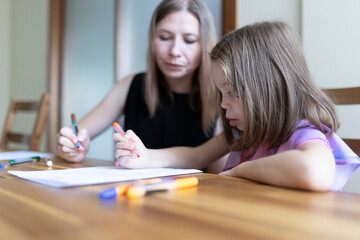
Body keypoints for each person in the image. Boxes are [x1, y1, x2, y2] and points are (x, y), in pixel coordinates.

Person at [113, 21, 360, 192]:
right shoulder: (245, 134)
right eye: (221, 93)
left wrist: (241, 170)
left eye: (231, 92)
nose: (223, 103)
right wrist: (145, 156)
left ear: (266, 88)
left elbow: (314, 171)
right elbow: (195, 155)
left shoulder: (302, 132)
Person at [56, 0, 225, 172]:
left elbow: (220, 175)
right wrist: (69, 144)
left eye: (189, 40)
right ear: (152, 40)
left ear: (205, 45)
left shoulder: (223, 96)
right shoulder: (131, 86)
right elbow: (77, 135)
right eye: (165, 38)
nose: (175, 51)